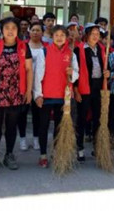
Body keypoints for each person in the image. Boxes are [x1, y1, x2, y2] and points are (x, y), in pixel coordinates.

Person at [0, 17, 33, 170]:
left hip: (15, 92)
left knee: (12, 126)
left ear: (18, 31)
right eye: (7, 28)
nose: (10, 31)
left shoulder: (24, 47)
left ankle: (9, 154)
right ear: (2, 30)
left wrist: (29, 91)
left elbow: (29, 69)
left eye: (13, 28)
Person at [35, 25, 79, 168]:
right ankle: (43, 154)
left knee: (60, 127)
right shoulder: (44, 52)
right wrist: (38, 94)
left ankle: (56, 151)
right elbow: (38, 75)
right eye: (56, 35)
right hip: (47, 95)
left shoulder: (71, 53)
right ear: (52, 37)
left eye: (62, 35)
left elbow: (77, 74)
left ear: (66, 37)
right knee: (43, 125)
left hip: (64, 96)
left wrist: (72, 72)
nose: (59, 38)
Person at [73, 23, 108, 161]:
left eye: (97, 34)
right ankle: (80, 148)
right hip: (84, 88)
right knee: (81, 119)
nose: (95, 36)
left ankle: (97, 147)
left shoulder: (101, 49)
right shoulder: (79, 49)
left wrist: (108, 72)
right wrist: (76, 90)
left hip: (98, 88)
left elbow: (106, 66)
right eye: (93, 34)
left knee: (98, 119)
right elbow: (76, 70)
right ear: (87, 35)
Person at [18, 21, 45, 151]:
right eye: (33, 30)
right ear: (29, 32)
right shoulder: (22, 46)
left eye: (38, 30)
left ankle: (36, 139)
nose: (35, 32)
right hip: (24, 84)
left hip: (39, 85)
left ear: (42, 33)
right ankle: (22, 139)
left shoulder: (45, 48)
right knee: (22, 113)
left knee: (37, 113)